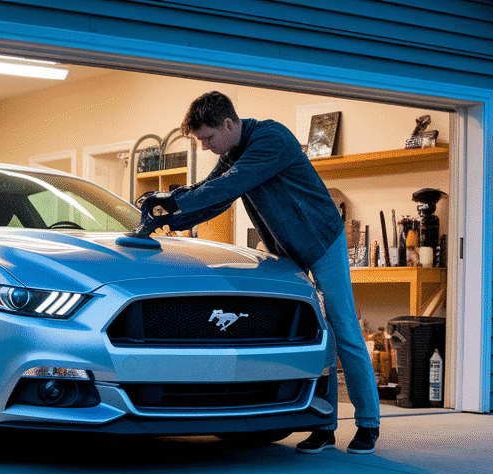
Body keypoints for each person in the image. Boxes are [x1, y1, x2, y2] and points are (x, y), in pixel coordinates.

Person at [137, 91, 380, 454]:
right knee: (314, 334)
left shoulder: (272, 138)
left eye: (207, 138)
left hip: (323, 240)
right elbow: (212, 195)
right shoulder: (233, 151)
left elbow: (230, 185)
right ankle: (323, 426)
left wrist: (172, 203)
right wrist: (167, 218)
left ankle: (369, 425)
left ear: (229, 124)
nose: (205, 147)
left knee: (342, 326)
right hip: (285, 249)